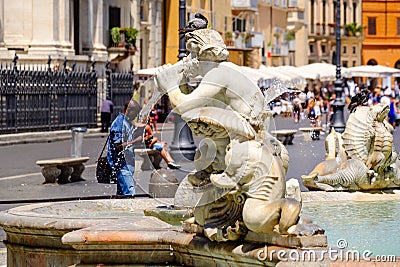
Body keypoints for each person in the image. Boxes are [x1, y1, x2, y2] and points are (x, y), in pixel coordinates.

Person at [107, 100, 142, 196]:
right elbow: (117, 146)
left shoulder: (126, 122)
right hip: (122, 166)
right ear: (129, 110)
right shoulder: (120, 123)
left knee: (121, 195)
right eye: (136, 113)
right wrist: (135, 141)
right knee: (130, 194)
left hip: (126, 164)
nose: (136, 116)